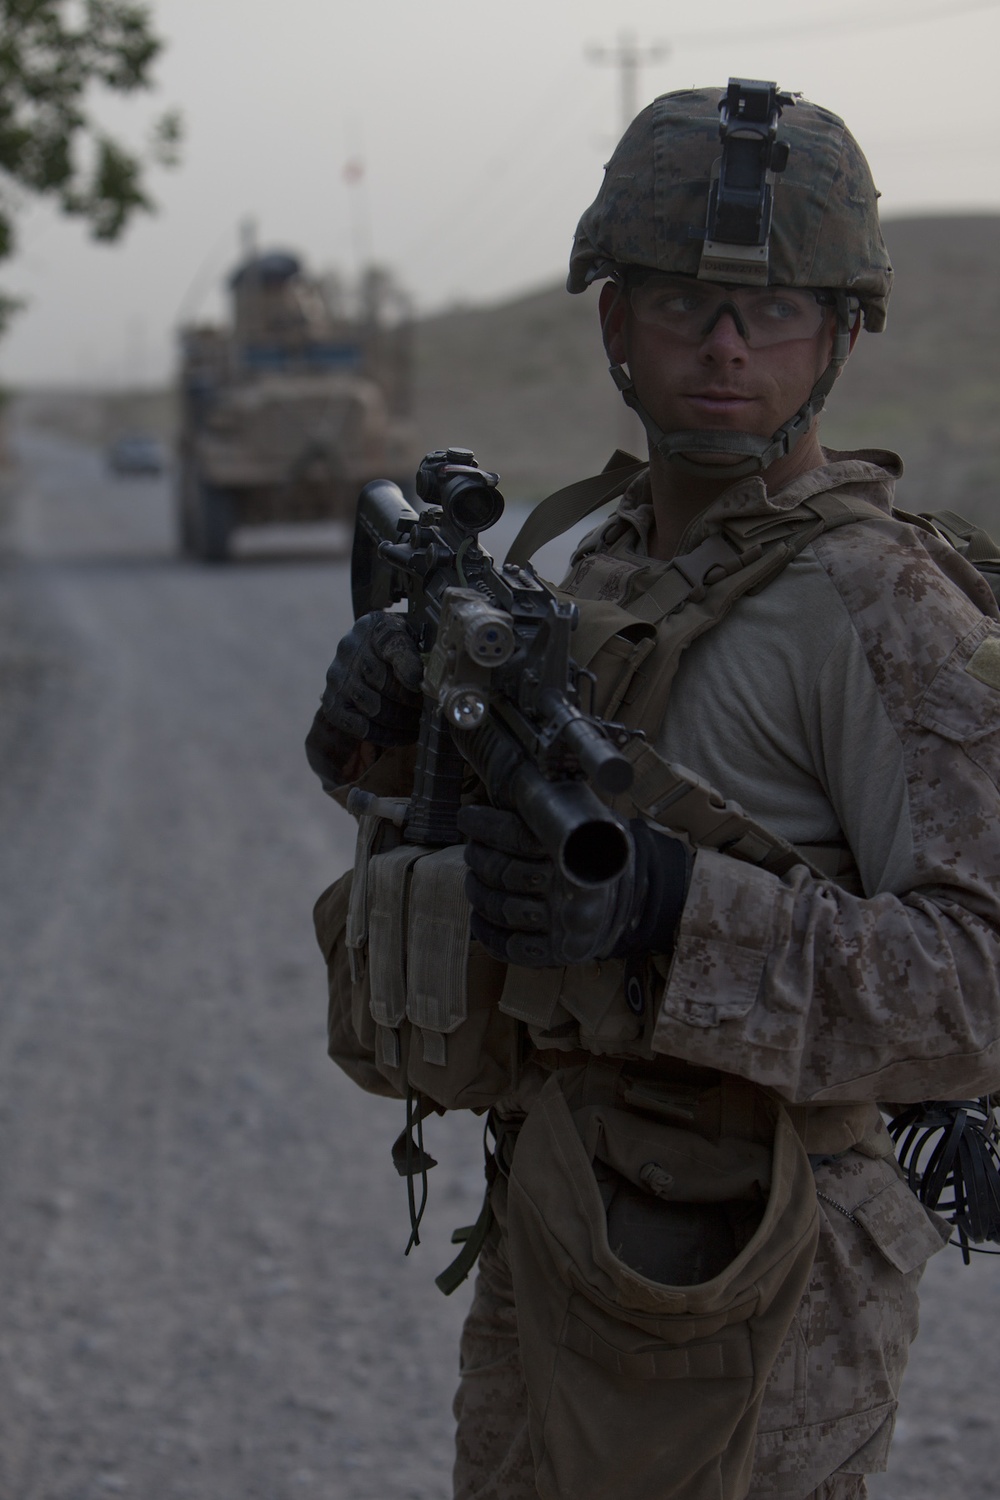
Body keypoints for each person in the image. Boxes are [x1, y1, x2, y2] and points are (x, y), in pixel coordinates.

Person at [306, 82, 1000, 1500]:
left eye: (778, 310)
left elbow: (982, 986)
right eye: (683, 304)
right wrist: (385, 748)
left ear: (843, 335)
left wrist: (675, 915)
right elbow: (520, 878)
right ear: (616, 323)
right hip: (567, 1218)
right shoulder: (610, 560)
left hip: (768, 1273)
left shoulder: (882, 606)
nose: (728, 345)